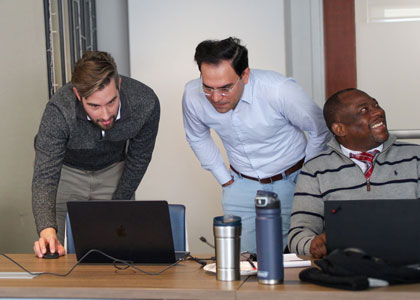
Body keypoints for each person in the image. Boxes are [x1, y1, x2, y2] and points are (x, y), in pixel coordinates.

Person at [182, 37, 331, 253]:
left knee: (299, 258)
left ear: (245, 75)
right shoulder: (192, 95)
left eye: (225, 88)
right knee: (245, 265)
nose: (215, 97)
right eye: (208, 87)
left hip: (293, 182)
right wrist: (224, 179)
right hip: (240, 185)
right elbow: (197, 136)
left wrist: (307, 177)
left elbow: (319, 129)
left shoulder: (279, 90)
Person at [32, 51, 160, 257]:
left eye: (111, 102)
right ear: (77, 95)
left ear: (118, 85)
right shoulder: (59, 109)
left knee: (118, 249)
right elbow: (45, 174)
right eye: (94, 106)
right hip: (68, 171)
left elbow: (139, 157)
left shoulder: (145, 102)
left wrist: (118, 205)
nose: (106, 114)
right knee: (59, 252)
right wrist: (46, 229)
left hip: (114, 170)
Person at [288, 88, 420, 258]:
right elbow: (298, 235)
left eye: (376, 105)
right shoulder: (315, 169)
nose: (378, 112)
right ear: (340, 129)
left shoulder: (415, 158)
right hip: (346, 274)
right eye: (364, 110)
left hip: (410, 270)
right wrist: (313, 244)